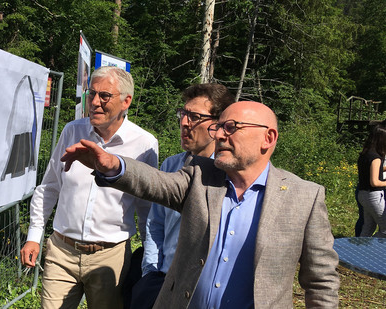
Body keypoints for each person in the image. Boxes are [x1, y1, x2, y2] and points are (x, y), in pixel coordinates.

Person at [61, 101, 340, 308]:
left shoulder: (305, 197)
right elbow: (156, 182)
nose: (218, 135)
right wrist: (114, 166)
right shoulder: (200, 176)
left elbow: (321, 282)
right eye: (219, 127)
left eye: (231, 128)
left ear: (268, 138)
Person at [20, 66, 158, 309]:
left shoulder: (144, 144)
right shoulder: (73, 131)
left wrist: (150, 256)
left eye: (105, 96)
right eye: (91, 94)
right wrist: (34, 236)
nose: (94, 102)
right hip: (61, 251)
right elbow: (50, 186)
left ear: (126, 101)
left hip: (110, 257)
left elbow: (146, 205)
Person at [130, 84, 234, 309]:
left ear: (217, 125)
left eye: (195, 117)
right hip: (164, 283)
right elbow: (155, 224)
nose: (185, 123)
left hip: (205, 291)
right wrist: (151, 273)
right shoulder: (171, 165)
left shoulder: (231, 175)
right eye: (183, 114)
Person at [356, 124, 386, 238]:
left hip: (363, 194)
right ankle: (373, 247)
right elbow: (375, 182)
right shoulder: (376, 157)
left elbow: (373, 170)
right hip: (373, 196)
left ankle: (360, 251)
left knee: (368, 227)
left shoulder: (366, 154)